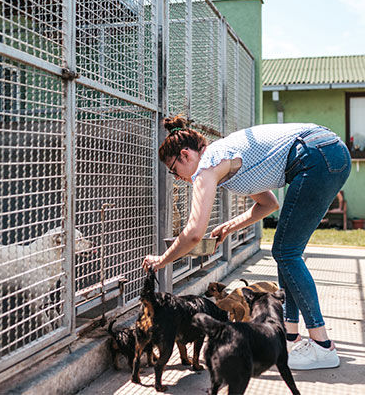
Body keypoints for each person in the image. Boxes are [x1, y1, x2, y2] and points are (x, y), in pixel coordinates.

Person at [142, 115, 351, 370]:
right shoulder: (226, 161)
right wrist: (230, 226)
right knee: (286, 252)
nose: (178, 178)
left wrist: (162, 260)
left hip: (316, 155)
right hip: (328, 151)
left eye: (174, 171)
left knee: (286, 252)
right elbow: (268, 204)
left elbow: (194, 233)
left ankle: (322, 346)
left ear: (185, 155)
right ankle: (290, 337)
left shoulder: (207, 166)